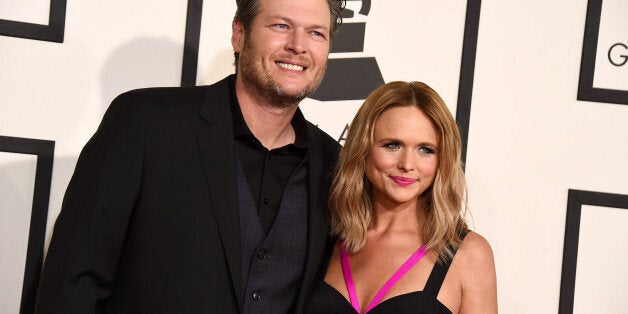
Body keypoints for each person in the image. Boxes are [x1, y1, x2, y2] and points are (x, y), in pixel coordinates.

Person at [35, 0, 344, 313]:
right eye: (281, 26)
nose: (298, 46)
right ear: (239, 33)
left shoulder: (336, 166)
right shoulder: (146, 123)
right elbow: (73, 281)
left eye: (316, 33)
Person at [306, 81, 497, 313]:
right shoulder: (327, 236)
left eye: (425, 150)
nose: (407, 165)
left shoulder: (468, 254)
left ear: (442, 160)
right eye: (392, 145)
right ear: (362, 148)